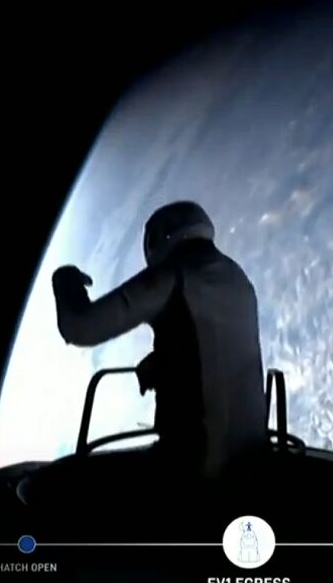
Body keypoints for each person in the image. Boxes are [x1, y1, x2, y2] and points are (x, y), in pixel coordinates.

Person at [51, 201, 267, 478]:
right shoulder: (238, 278)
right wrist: (163, 364)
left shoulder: (173, 274)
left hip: (193, 466)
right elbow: (216, 347)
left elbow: (80, 327)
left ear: (160, 237)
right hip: (251, 463)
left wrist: (65, 279)